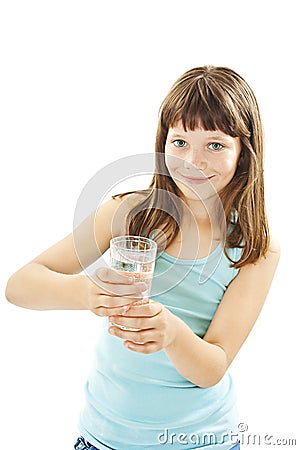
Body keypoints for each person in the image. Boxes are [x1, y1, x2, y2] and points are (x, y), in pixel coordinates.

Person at [5, 65, 280, 450]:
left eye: (215, 145)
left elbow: (212, 368)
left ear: (244, 155)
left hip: (202, 442)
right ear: (162, 142)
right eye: (180, 142)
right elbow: (19, 286)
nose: (193, 161)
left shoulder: (254, 250)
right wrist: (86, 293)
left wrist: (171, 332)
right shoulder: (128, 213)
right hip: (104, 438)